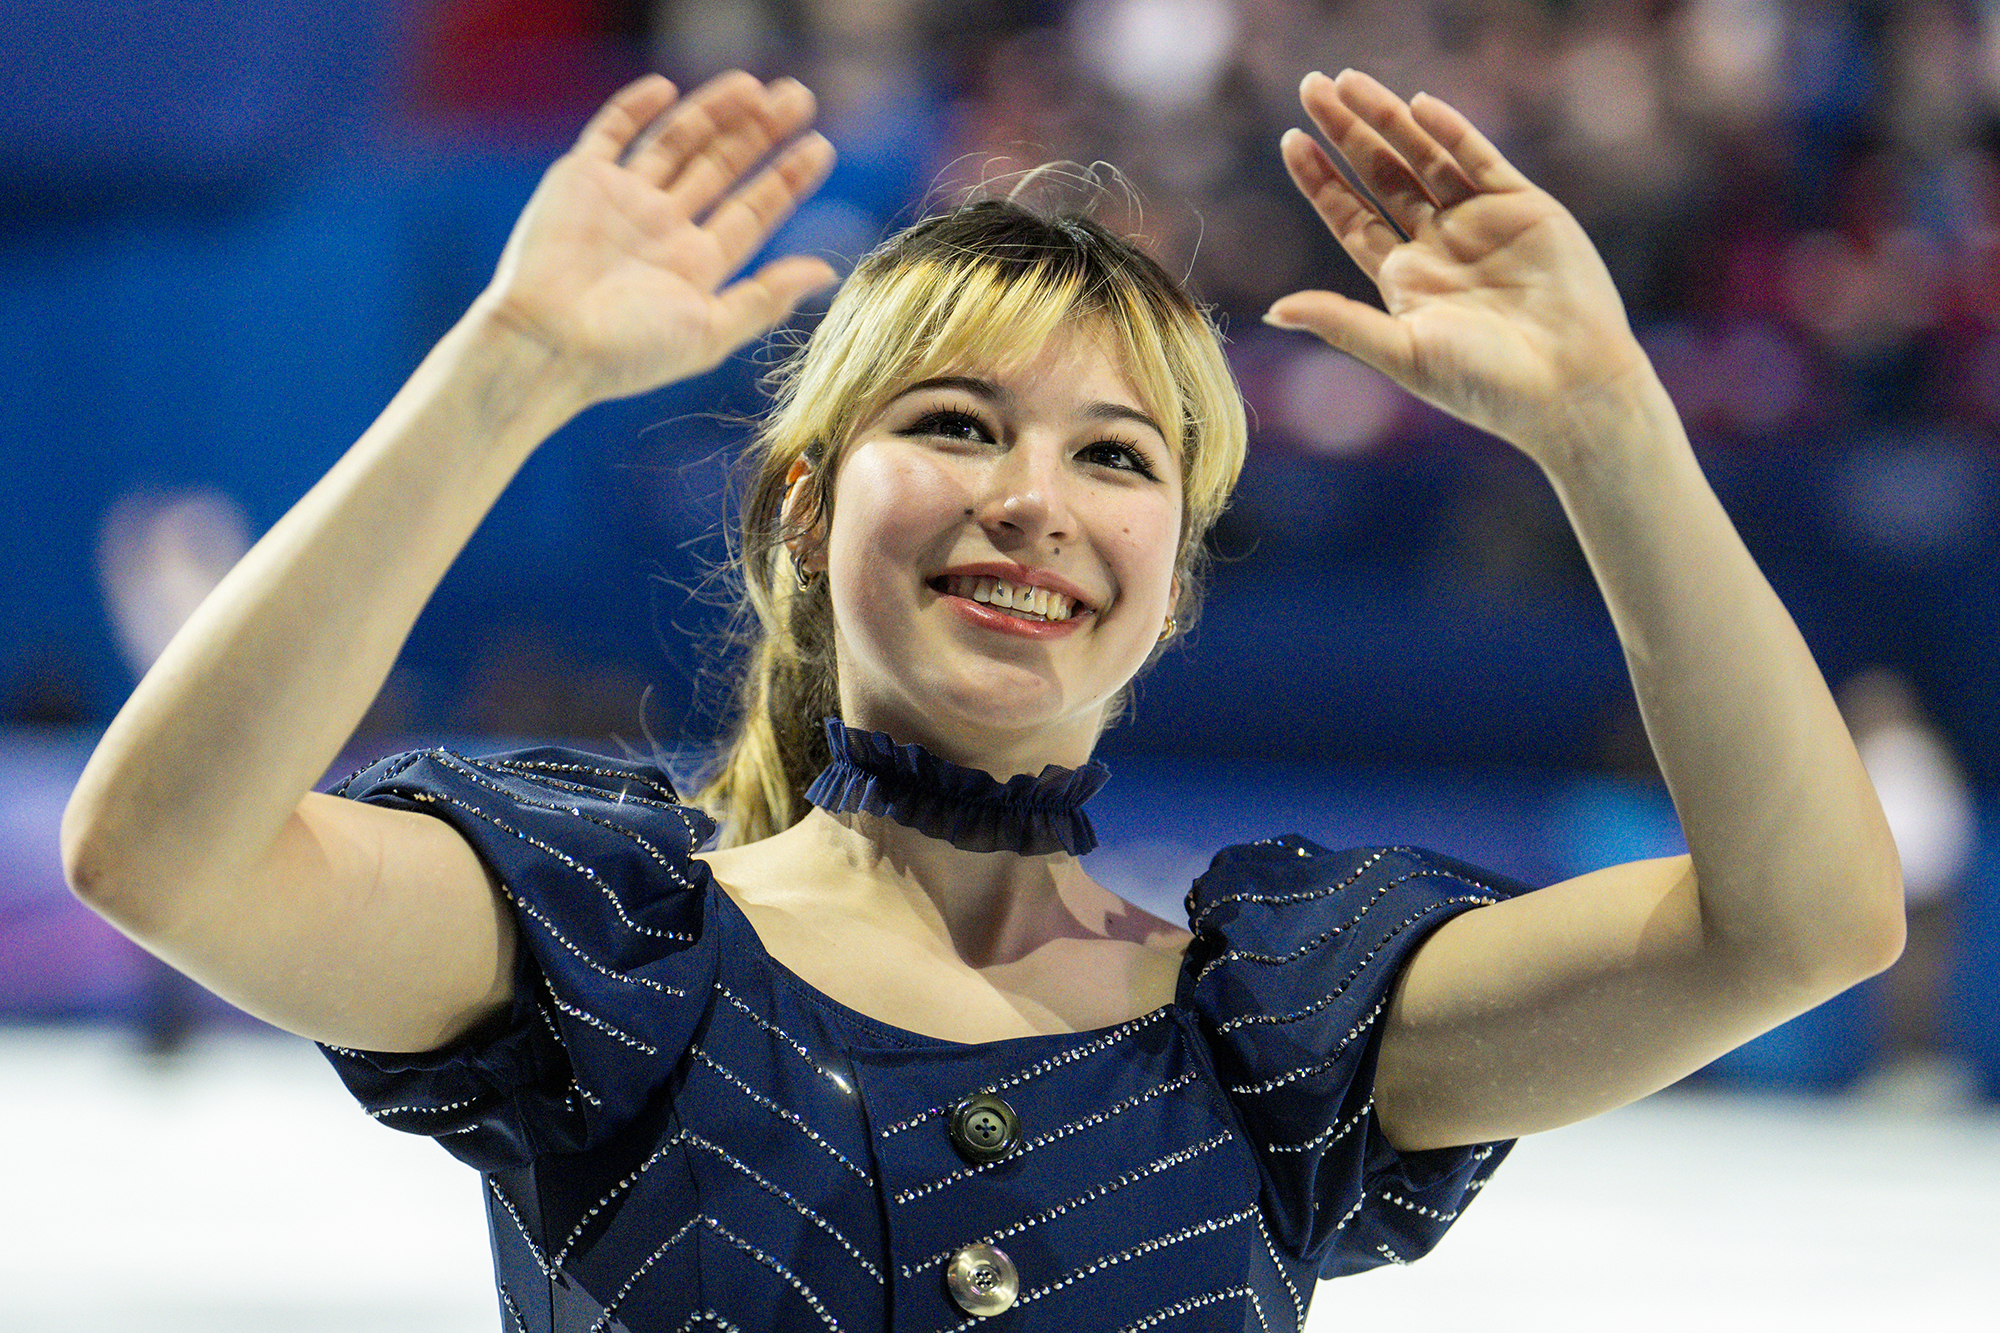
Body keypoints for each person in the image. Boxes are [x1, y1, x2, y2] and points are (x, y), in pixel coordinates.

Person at [61, 68, 1903, 1331]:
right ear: (802, 507)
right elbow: (164, 851)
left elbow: (1806, 918)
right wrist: (509, 367)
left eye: (1116, 455)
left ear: (1170, 579)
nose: (1032, 496)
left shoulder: (1279, 1035)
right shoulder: (612, 937)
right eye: (954, 425)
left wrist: (1608, 430)